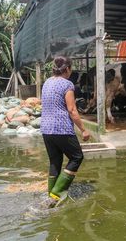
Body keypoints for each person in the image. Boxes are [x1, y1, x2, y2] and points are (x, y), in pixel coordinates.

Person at [41, 56, 90, 207]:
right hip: (61, 128)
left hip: (46, 129)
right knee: (77, 157)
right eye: (71, 69)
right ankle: (56, 195)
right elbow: (72, 110)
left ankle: (51, 194)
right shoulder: (67, 84)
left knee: (55, 161)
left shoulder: (47, 82)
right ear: (67, 69)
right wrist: (83, 129)